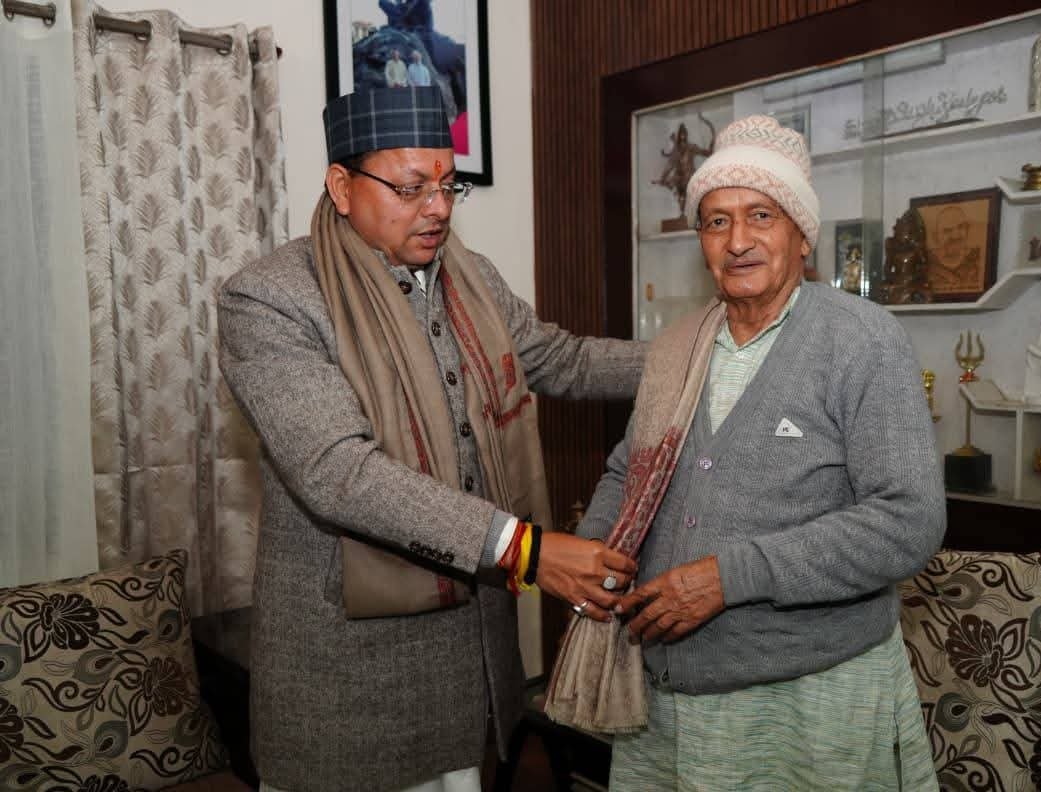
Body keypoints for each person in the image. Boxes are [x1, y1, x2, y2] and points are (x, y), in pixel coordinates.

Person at [217, 85, 646, 792]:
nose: (439, 208)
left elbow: (560, 359)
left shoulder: (470, 278)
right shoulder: (271, 297)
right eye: (412, 187)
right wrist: (527, 551)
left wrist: (696, 352)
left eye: (448, 186)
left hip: (469, 654)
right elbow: (338, 472)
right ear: (342, 186)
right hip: (350, 673)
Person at [574, 114, 945, 790]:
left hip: (808, 705)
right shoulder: (677, 347)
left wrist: (730, 576)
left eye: (761, 216)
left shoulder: (862, 341)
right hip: (665, 701)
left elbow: (908, 520)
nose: (737, 241)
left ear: (802, 233)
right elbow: (631, 470)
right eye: (716, 221)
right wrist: (592, 553)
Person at [926, 204, 981, 293]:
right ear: (935, 236)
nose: (955, 235)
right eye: (947, 230)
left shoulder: (978, 260)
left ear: (967, 230)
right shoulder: (926, 263)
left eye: (961, 227)